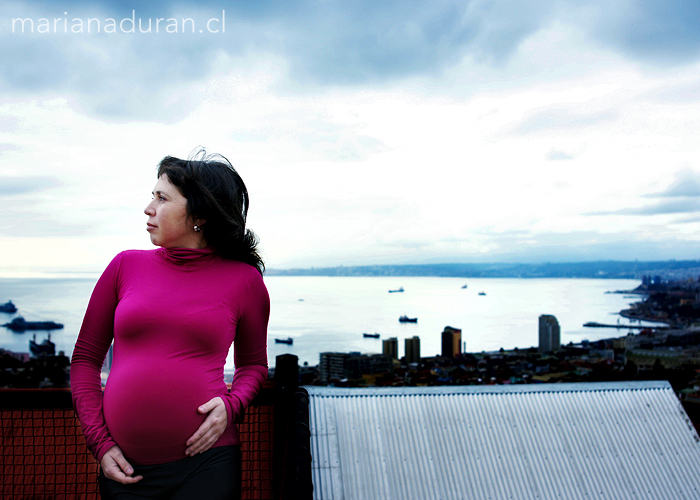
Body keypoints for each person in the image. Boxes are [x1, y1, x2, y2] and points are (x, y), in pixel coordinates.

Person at [71, 149, 269, 500]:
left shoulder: (245, 281)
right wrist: (99, 444)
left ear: (201, 214)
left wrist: (232, 405)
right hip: (124, 471)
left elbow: (253, 365)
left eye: (162, 198)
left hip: (208, 465)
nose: (149, 208)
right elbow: (85, 359)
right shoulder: (124, 266)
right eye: (152, 197)